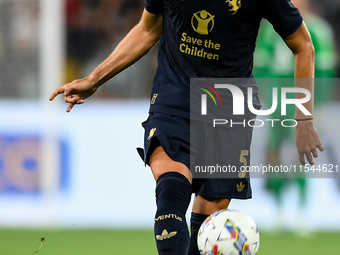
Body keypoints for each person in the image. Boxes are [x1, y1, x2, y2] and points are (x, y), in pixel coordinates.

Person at [49, 0, 324, 254]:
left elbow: (303, 45)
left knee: (207, 220)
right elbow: (148, 28)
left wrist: (303, 119)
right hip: (175, 97)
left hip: (229, 107)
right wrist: (95, 79)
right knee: (171, 189)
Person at [253, 0, 336, 233]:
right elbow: (260, 66)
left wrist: (317, 106)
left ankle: (301, 211)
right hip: (278, 101)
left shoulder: (318, 30)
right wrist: (263, 99)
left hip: (304, 103)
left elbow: (325, 71)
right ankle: (278, 210)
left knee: (302, 153)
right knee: (275, 151)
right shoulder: (270, 31)